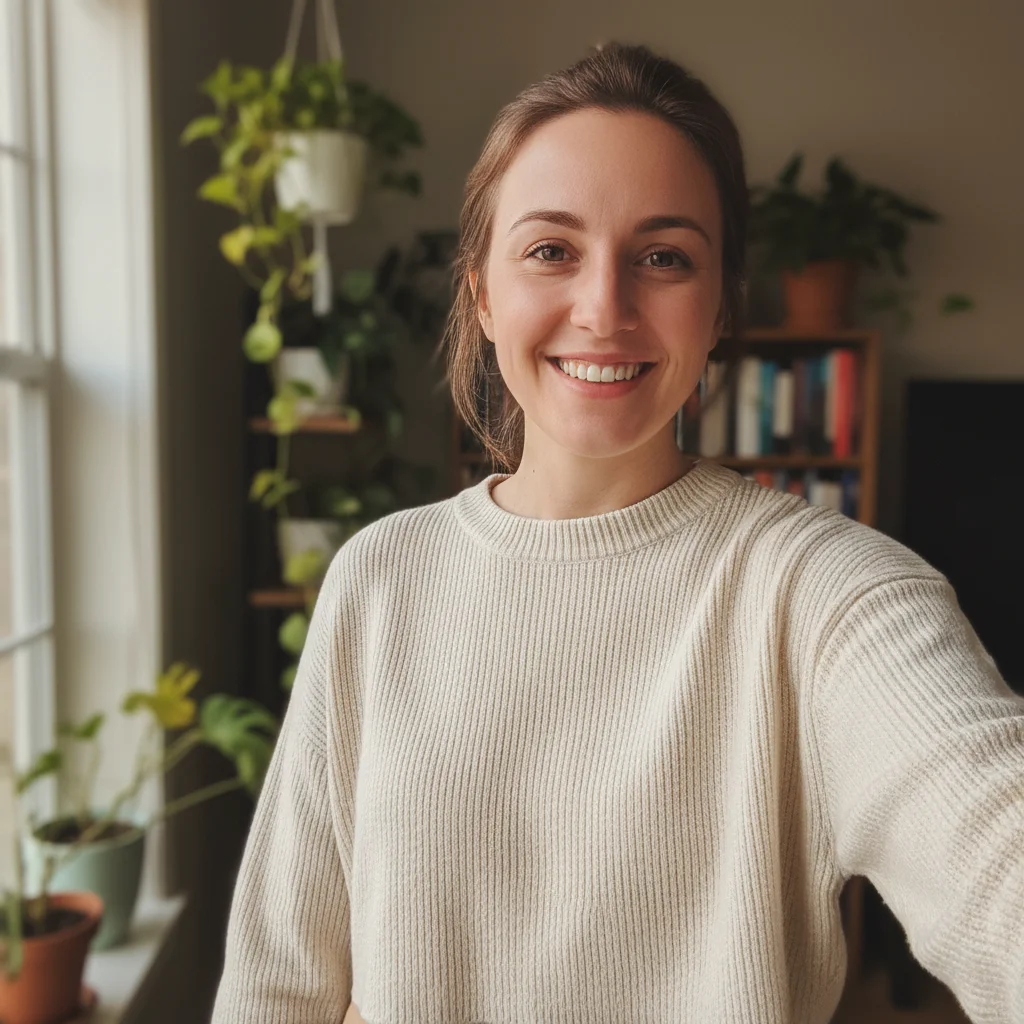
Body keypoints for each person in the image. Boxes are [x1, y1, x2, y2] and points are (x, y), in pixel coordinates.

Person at [211, 42, 1024, 1024]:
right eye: (551, 249)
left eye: (664, 257)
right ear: (482, 292)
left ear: (721, 306)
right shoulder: (378, 580)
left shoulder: (827, 596)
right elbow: (277, 984)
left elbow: (989, 837)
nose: (603, 308)